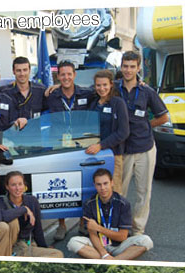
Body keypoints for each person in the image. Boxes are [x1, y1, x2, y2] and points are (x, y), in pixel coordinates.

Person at [118, 50, 169, 233]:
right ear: (121, 67)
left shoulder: (147, 91)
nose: (128, 70)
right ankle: (119, 227)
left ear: (138, 68)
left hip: (144, 148)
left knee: (143, 192)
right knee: (119, 192)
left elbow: (163, 118)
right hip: (122, 150)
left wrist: (146, 124)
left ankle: (137, 229)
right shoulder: (114, 89)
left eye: (132, 67)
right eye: (125, 66)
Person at [46, 61, 94, 242]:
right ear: (58, 77)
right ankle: (62, 224)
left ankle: (83, 221)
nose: (66, 77)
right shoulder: (51, 95)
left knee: (82, 184)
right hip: (59, 145)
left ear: (74, 75)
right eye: (62, 74)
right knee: (61, 186)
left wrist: (139, 82)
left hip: (81, 145)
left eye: (69, 74)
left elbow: (108, 88)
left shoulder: (87, 93)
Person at [67, 168, 153, 260]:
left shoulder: (123, 203)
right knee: (73, 242)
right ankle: (115, 260)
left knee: (146, 241)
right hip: (98, 245)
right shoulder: (89, 204)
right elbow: (92, 234)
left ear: (111, 183)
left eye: (105, 183)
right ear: (94, 185)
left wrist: (98, 228)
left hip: (119, 246)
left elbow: (122, 236)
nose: (102, 188)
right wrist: (104, 253)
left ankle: (112, 261)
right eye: (99, 184)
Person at [0, 170, 64, 258]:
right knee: (13, 221)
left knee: (57, 255)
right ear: (7, 187)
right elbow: (2, 217)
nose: (17, 188)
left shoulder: (32, 201)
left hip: (28, 244)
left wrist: (44, 248)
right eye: (13, 185)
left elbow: (37, 228)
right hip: (11, 247)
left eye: (20, 184)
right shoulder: (0, 203)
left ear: (24, 185)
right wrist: (23, 209)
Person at [86, 69, 130, 193]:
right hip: (94, 154)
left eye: (105, 85)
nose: (102, 88)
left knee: (113, 191)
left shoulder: (118, 103)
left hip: (112, 155)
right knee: (97, 189)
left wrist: (101, 145)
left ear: (111, 84)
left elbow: (123, 132)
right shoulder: (93, 104)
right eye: (98, 85)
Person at [0, 56, 46, 125]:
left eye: (25, 70)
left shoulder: (41, 90)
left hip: (35, 135)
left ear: (30, 70)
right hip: (12, 134)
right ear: (13, 71)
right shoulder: (3, 92)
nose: (22, 74)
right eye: (18, 70)